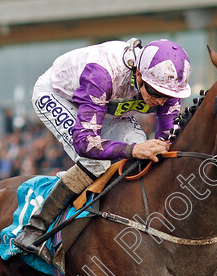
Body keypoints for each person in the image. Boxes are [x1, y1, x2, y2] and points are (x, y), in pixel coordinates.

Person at [14, 38, 192, 261]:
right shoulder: (102, 73)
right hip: (59, 94)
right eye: (156, 93)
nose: (161, 101)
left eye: (168, 95)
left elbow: (167, 141)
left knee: (142, 147)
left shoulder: (168, 89)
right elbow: (86, 143)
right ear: (138, 75)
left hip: (106, 104)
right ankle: (35, 229)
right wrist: (133, 149)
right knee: (96, 161)